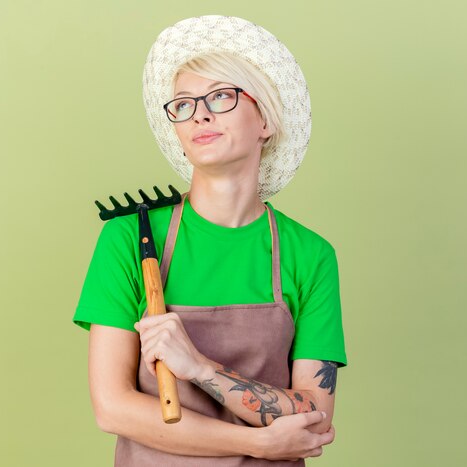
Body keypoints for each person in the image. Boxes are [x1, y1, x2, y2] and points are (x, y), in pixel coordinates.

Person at [73, 15, 348, 465]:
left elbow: (315, 415)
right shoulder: (131, 238)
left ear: (266, 120)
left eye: (221, 96)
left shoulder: (310, 255)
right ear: (178, 133)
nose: (199, 113)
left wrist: (199, 368)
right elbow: (113, 408)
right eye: (182, 104)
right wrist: (257, 443)